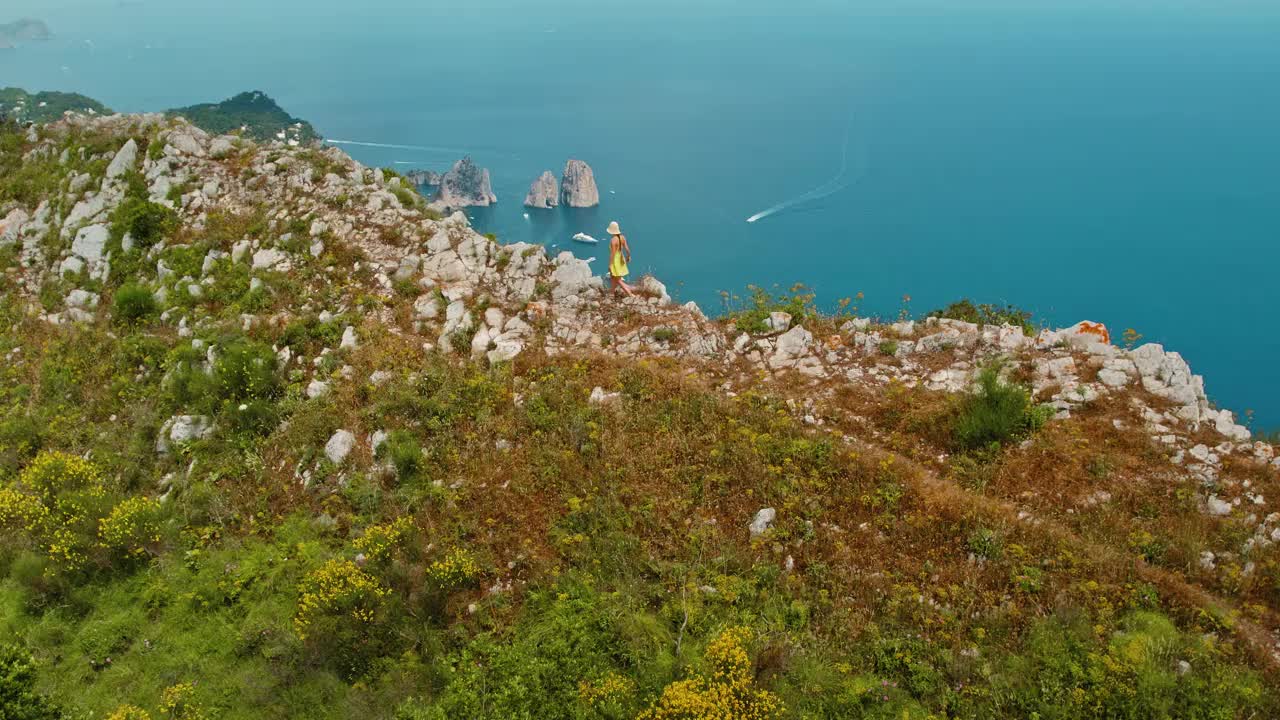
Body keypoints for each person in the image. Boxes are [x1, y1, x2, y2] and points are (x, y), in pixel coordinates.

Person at [607, 221, 635, 296]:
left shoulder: (613, 240)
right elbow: (627, 249)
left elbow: (612, 254)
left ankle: (629, 293)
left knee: (617, 279)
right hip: (621, 258)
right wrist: (628, 256)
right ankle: (611, 293)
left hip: (615, 260)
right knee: (613, 277)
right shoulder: (622, 237)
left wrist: (610, 265)